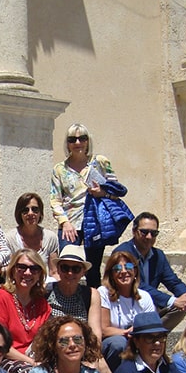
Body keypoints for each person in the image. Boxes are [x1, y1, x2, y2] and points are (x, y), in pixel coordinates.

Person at [49, 123, 115, 287]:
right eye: (72, 139)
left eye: (82, 138)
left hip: (95, 223)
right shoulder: (59, 169)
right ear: (67, 143)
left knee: (92, 270)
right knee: (66, 267)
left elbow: (116, 190)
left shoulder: (100, 162)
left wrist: (102, 193)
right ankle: (66, 301)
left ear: (88, 141)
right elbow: (55, 200)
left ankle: (93, 301)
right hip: (70, 225)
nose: (77, 143)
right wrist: (64, 222)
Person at [114, 212, 186, 331]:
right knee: (174, 303)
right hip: (128, 304)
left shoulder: (158, 255)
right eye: (144, 232)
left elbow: (172, 281)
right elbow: (138, 285)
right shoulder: (123, 253)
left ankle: (155, 335)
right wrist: (172, 301)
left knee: (181, 307)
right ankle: (148, 334)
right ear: (134, 231)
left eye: (153, 233)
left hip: (151, 305)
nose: (149, 237)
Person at [0, 249, 51, 364]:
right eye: (21, 267)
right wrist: (31, 362)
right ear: (12, 271)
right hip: (6, 360)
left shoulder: (42, 304)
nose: (27, 273)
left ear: (40, 275)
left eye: (34, 269)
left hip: (36, 360)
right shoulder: (1, 297)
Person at [98, 251, 156, 370]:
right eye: (117, 268)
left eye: (128, 266)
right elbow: (103, 330)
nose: (124, 271)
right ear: (111, 274)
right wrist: (127, 332)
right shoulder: (103, 293)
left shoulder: (145, 296)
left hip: (138, 341)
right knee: (119, 343)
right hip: (113, 345)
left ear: (135, 271)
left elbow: (151, 326)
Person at [47, 245, 103, 342]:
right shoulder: (46, 291)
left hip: (81, 346)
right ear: (58, 269)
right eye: (65, 268)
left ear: (83, 272)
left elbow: (95, 333)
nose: (70, 273)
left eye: (76, 269)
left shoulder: (91, 295)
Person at [5, 192, 59, 276]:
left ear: (40, 213)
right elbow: (10, 272)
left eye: (35, 209)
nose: (30, 213)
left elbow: (54, 271)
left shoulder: (50, 238)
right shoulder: (10, 239)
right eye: (25, 210)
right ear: (19, 214)